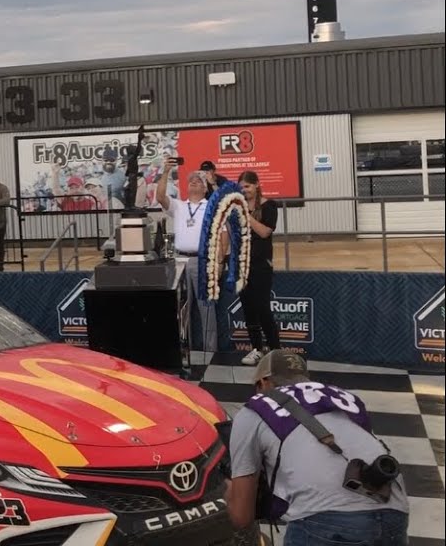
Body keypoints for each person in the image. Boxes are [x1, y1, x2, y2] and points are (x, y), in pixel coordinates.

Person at [228, 350, 410, 544]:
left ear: (263, 383)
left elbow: (242, 516)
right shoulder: (344, 398)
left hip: (325, 521)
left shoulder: (255, 408)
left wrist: (228, 491)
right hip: (394, 511)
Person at [157, 160, 221, 353]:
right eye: (191, 180)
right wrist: (166, 171)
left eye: (198, 181)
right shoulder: (178, 206)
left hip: (202, 261)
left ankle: (211, 352)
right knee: (181, 309)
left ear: (205, 188)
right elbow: (160, 197)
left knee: (207, 309)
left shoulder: (211, 206)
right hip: (179, 261)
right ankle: (185, 351)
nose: (193, 182)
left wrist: (218, 262)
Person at [238, 170, 282, 366]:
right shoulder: (237, 208)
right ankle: (256, 348)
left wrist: (247, 215)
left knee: (263, 308)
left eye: (247, 186)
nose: (244, 190)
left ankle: (275, 350)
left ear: (256, 185)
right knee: (248, 309)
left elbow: (264, 232)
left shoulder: (269, 206)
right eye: (241, 187)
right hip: (242, 265)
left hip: (261, 265)